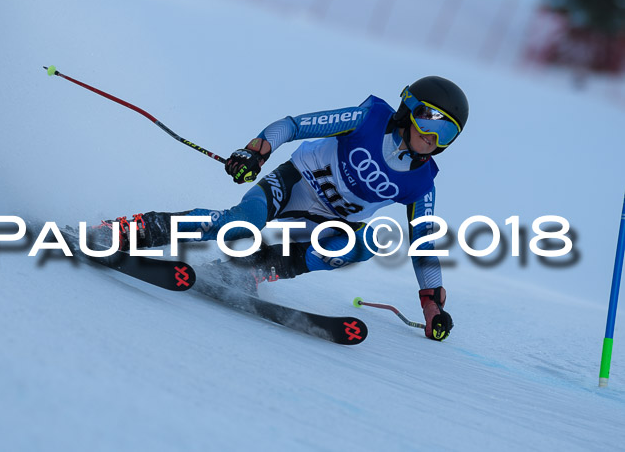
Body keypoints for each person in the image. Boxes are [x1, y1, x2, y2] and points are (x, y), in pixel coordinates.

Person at [93, 76, 469, 341]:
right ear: (408, 110)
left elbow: (424, 246)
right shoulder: (369, 118)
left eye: (447, 133)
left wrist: (431, 303)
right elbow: (293, 126)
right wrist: (256, 151)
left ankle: (249, 272)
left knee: (366, 243)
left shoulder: (423, 182)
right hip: (293, 186)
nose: (433, 139)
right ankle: (133, 230)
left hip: (328, 225)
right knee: (239, 226)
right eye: (429, 122)